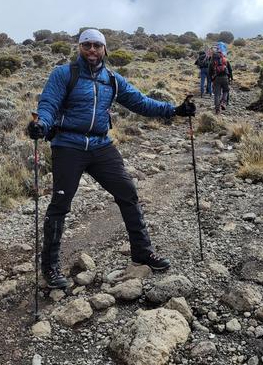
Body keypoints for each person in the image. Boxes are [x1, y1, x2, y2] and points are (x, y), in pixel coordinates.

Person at [27, 28, 196, 289]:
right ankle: (49, 267)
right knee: (61, 204)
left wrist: (174, 110)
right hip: (68, 145)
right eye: (87, 45)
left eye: (97, 45)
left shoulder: (112, 80)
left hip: (100, 145)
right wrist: (43, 125)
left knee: (127, 191)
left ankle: (141, 251)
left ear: (105, 49)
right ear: (79, 48)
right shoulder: (64, 74)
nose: (92, 50)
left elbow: (140, 102)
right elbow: (48, 105)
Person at [209, 45, 233, 114]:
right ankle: (223, 102)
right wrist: (231, 78)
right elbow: (230, 70)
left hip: (216, 78)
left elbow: (209, 72)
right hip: (225, 77)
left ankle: (217, 109)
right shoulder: (225, 60)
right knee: (226, 90)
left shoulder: (212, 61)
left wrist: (211, 79)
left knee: (217, 94)